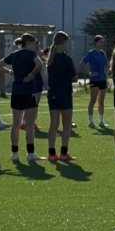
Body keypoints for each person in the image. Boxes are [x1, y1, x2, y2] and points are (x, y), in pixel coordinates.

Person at [0, 34, 44, 162]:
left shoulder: (14, 54)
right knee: (29, 124)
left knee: (16, 124)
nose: (35, 46)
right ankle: (30, 154)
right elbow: (40, 64)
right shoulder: (30, 54)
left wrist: (9, 72)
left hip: (16, 91)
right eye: (34, 43)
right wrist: (31, 74)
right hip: (28, 91)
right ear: (28, 43)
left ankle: (14, 153)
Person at [44, 32, 78, 162]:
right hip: (64, 94)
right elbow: (74, 78)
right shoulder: (66, 59)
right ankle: (63, 153)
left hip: (53, 94)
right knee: (67, 124)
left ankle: (52, 153)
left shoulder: (51, 59)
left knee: (54, 123)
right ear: (63, 42)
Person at [82, 36, 109, 128]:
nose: (102, 44)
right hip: (94, 80)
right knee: (93, 101)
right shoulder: (91, 53)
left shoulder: (103, 53)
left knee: (101, 101)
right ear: (96, 43)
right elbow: (82, 63)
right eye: (101, 42)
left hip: (103, 79)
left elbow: (106, 64)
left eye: (103, 42)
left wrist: (107, 71)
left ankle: (101, 121)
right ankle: (90, 121)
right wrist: (88, 73)